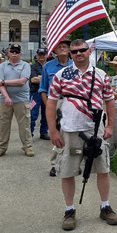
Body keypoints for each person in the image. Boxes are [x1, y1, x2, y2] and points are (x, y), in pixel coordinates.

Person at [46, 39, 117, 231]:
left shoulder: (101, 75)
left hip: (95, 129)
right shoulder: (62, 75)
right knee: (67, 171)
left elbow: (110, 101)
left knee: (102, 169)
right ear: (70, 54)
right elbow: (52, 102)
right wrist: (53, 130)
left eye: (82, 50)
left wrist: (110, 125)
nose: (79, 54)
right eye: (74, 51)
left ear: (89, 51)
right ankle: (69, 210)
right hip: (70, 129)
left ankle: (105, 206)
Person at [0, 44, 34, 158]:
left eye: (17, 52)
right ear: (8, 53)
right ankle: (1, 148)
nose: (14, 54)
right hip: (5, 100)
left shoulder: (25, 65)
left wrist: (4, 82)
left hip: (21, 99)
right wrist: (6, 97)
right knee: (3, 125)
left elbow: (22, 81)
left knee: (24, 125)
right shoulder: (2, 66)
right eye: (12, 52)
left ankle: (27, 147)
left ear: (20, 53)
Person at [39, 39, 73, 176]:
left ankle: (72, 163)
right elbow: (42, 89)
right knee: (57, 134)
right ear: (54, 50)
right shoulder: (48, 66)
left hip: (73, 103)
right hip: (55, 102)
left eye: (65, 46)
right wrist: (49, 106)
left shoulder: (76, 65)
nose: (63, 48)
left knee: (72, 134)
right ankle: (56, 164)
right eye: (60, 46)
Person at [30, 48, 49, 140]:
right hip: (35, 94)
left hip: (47, 94)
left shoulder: (49, 66)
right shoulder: (33, 66)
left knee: (46, 114)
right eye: (40, 55)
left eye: (43, 55)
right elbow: (33, 79)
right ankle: (30, 133)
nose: (41, 57)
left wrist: (40, 78)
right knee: (33, 114)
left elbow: (53, 79)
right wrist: (46, 79)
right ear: (37, 56)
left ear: (46, 55)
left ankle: (44, 132)